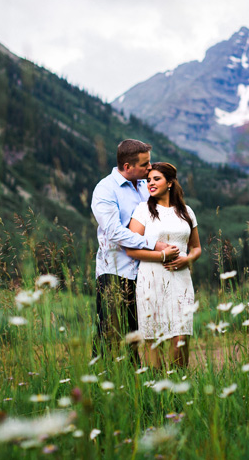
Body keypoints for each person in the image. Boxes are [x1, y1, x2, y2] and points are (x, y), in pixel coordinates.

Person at [91, 140, 179, 359]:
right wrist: (154, 245)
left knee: (136, 336)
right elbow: (114, 233)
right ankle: (100, 385)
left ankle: (135, 386)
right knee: (109, 337)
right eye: (145, 164)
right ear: (127, 166)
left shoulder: (144, 185)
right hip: (115, 272)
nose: (150, 168)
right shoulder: (105, 190)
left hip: (146, 272)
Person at [126, 162, 201, 369]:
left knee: (181, 338)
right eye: (148, 180)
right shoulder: (142, 211)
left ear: (169, 182)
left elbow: (196, 247)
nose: (150, 183)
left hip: (181, 279)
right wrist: (162, 256)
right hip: (151, 278)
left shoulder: (186, 211)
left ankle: (179, 384)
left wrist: (187, 259)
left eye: (156, 179)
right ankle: (156, 389)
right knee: (154, 339)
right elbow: (131, 250)